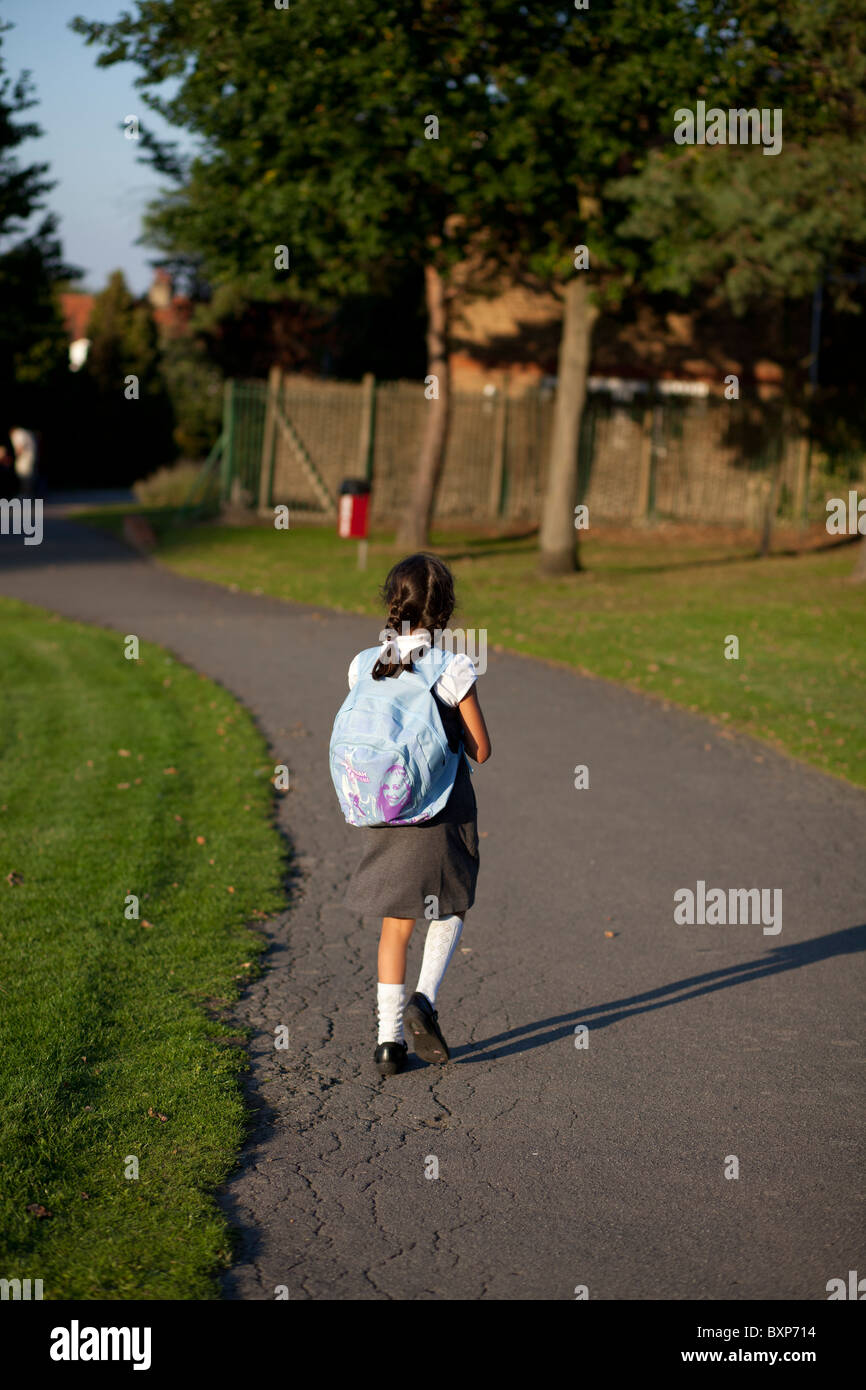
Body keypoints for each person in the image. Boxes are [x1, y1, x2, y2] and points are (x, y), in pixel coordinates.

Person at [341, 553, 492, 1077]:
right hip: (440, 809)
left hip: (383, 808)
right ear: (445, 612)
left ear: (391, 602)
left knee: (395, 924)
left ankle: (387, 1043)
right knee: (452, 901)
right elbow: (481, 749)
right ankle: (424, 1000)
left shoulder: (363, 663)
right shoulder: (452, 667)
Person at [9, 426, 38, 499]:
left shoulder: (18, 434)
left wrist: (13, 458)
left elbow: (20, 447)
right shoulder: (25, 432)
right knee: (28, 476)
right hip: (29, 457)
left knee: (25, 476)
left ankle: (26, 495)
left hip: (25, 458)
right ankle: (28, 494)